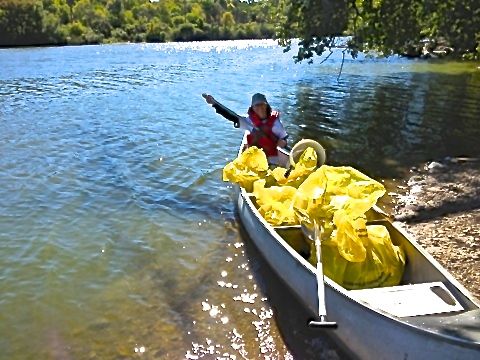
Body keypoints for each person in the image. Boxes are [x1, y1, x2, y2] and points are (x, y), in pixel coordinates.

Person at [203, 93, 289, 165]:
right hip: (255, 158)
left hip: (273, 157)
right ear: (253, 108)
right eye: (256, 105)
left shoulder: (275, 123)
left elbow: (284, 138)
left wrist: (282, 143)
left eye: (262, 104)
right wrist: (214, 104)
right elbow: (230, 116)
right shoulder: (249, 122)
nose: (260, 108)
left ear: (266, 106)